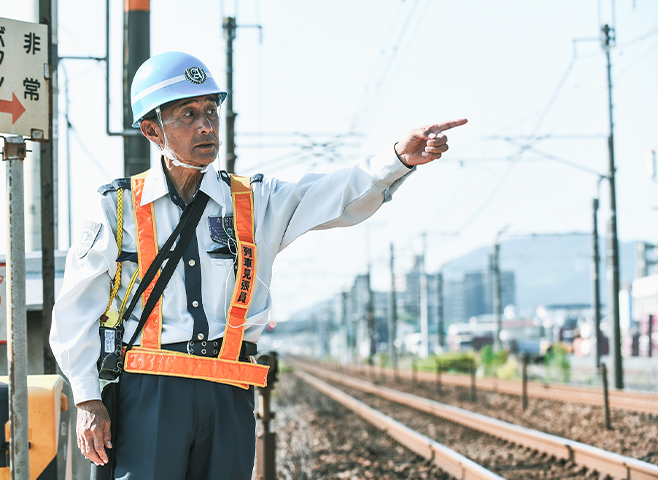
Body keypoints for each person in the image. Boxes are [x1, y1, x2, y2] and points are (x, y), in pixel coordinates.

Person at [50, 51, 467, 479]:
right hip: (147, 393)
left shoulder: (252, 201)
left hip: (228, 392)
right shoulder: (114, 208)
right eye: (188, 114)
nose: (206, 125)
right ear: (152, 130)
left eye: (211, 111)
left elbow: (330, 192)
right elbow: (74, 312)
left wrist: (396, 158)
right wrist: (87, 400)